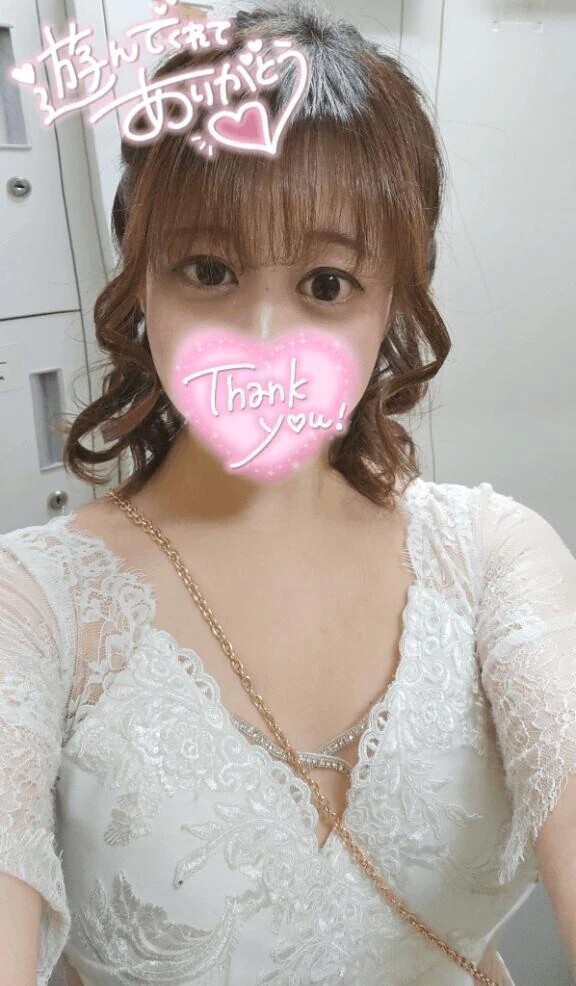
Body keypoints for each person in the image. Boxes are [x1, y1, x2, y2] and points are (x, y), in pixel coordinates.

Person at [1, 3, 575, 984]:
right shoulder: (34, 605)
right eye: (209, 269)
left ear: (394, 302)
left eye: (326, 284)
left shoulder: (494, 558)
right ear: (143, 280)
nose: (261, 344)